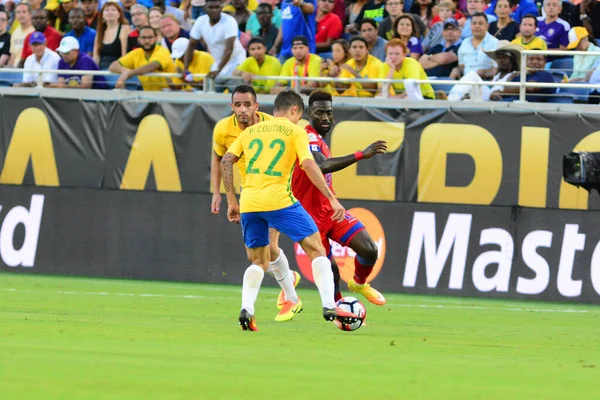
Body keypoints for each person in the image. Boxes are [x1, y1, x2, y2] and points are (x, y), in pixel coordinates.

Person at [220, 90, 359, 331]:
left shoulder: (250, 131)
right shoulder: (295, 131)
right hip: (280, 200)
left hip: (250, 203)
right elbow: (308, 165)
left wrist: (231, 199)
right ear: (295, 110)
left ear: (274, 111)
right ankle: (328, 304)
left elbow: (225, 161)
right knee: (316, 248)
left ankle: (247, 309)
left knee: (258, 261)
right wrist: (332, 198)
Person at [212, 85, 304, 322]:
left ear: (256, 106)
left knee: (267, 249)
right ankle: (287, 277)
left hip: (275, 190)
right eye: (238, 105)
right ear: (231, 106)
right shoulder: (223, 129)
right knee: (260, 256)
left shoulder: (272, 124)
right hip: (250, 194)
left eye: (247, 104)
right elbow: (220, 159)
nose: (242, 109)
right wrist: (221, 195)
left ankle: (292, 298)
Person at [292, 89, 388, 304]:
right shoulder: (307, 137)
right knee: (330, 270)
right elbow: (321, 166)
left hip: (330, 211)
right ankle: (338, 308)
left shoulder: (321, 139)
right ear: (309, 114)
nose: (325, 117)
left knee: (370, 250)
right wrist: (361, 154)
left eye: (329, 112)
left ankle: (359, 283)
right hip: (309, 219)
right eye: (319, 113)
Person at [185, 0, 246, 91]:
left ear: (221, 8)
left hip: (236, 62)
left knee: (236, 94)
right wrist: (185, 68)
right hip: (218, 63)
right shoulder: (200, 21)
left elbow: (229, 49)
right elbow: (191, 45)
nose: (214, 10)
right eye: (211, 7)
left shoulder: (229, 21)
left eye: (217, 7)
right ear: (205, 8)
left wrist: (218, 69)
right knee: (210, 93)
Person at [448, 39, 520, 100]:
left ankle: (450, 99)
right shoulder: (498, 75)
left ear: (511, 59)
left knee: (472, 76)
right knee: (472, 78)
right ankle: (451, 99)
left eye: (504, 57)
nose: (501, 60)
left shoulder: (514, 74)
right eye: (498, 57)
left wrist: (501, 92)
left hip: (496, 99)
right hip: (489, 96)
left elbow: (515, 89)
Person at [108, 25, 175, 91]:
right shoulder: (137, 53)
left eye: (150, 37)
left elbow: (152, 66)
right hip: (147, 95)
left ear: (156, 38)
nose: (147, 41)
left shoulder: (163, 51)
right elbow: (113, 66)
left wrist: (128, 73)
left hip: (169, 93)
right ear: (138, 39)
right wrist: (124, 71)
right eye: (143, 37)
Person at [93, 1, 130, 70]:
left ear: (119, 14)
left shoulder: (124, 28)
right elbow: (96, 56)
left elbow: (124, 56)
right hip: (101, 69)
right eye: (107, 10)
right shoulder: (100, 32)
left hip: (117, 69)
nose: (110, 12)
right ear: (102, 15)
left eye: (113, 10)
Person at [8, 2, 34, 67]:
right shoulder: (15, 33)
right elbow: (13, 56)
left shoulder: (35, 31)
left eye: (24, 12)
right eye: (18, 12)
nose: (21, 15)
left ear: (30, 14)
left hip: (30, 68)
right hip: (16, 70)